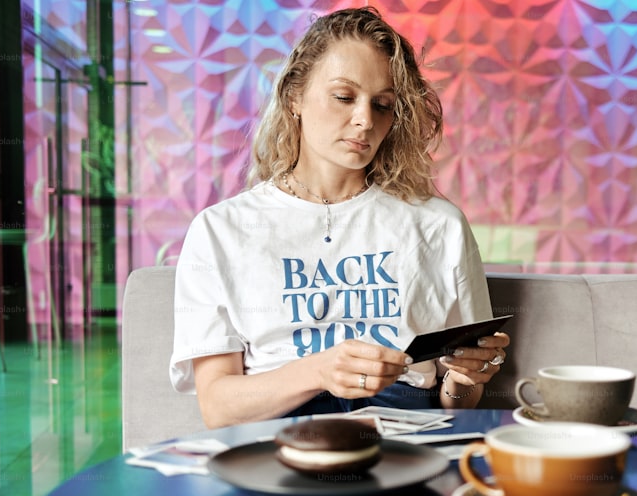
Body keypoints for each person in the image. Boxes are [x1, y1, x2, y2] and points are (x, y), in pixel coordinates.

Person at [169, 6, 511, 428]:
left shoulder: (438, 225)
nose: (364, 120)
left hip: (406, 439)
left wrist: (463, 379)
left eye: (383, 105)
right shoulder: (221, 231)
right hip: (282, 441)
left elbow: (457, 403)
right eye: (344, 97)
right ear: (294, 96)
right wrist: (318, 370)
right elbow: (218, 407)